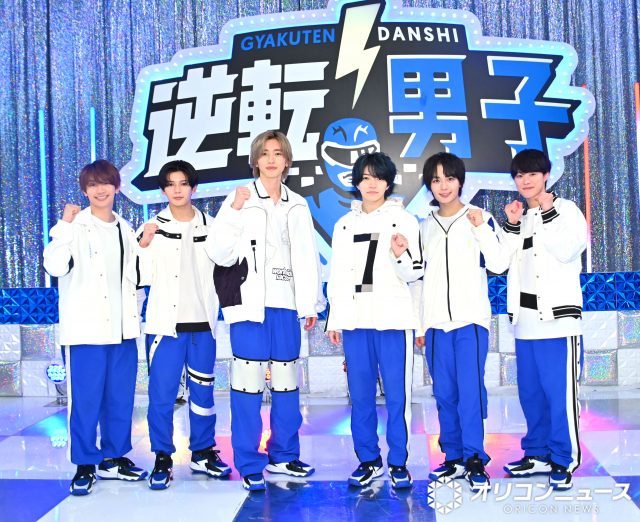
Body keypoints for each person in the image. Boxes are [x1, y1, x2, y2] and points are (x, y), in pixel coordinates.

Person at [209, 130, 325, 491]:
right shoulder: (240, 198)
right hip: (250, 308)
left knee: (287, 386)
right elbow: (218, 251)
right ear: (255, 160)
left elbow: (308, 256)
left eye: (278, 153)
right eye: (264, 153)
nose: (271, 159)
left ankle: (284, 455)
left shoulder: (298, 203)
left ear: (287, 160)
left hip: (287, 307)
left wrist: (311, 302)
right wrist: (234, 211)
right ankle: (248, 461)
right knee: (247, 387)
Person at [43, 160, 147, 496]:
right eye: (92, 185)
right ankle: (85, 463)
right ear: (85, 191)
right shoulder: (75, 226)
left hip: (123, 331)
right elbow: (54, 266)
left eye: (106, 183)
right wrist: (63, 225)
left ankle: (113, 458)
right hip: (86, 331)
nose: (100, 190)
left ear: (117, 187)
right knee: (86, 400)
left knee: (120, 398)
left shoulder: (125, 228)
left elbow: (136, 278)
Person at [132, 160, 230, 490]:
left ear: (193, 187)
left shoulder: (212, 226)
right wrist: (143, 245)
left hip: (203, 324)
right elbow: (139, 276)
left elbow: (227, 265)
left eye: (183, 183)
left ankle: (203, 451)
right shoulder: (151, 227)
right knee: (162, 394)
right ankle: (162, 455)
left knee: (203, 392)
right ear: (163, 190)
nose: (177, 189)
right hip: (164, 326)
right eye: (171, 184)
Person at [326, 152, 422, 489]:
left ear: (388, 182)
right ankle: (368, 460)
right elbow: (337, 275)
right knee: (360, 396)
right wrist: (334, 319)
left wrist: (401, 254)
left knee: (397, 397)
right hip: (355, 322)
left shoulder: (404, 220)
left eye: (378, 177)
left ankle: (398, 462)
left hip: (393, 320)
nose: (372, 184)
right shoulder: (344, 224)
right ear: (356, 182)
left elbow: (415, 272)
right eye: (365, 177)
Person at [416, 152, 509, 492]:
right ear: (429, 185)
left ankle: (474, 458)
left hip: (470, 321)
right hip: (436, 324)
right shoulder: (423, 226)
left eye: (450, 178)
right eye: (436, 179)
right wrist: (421, 325)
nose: (443, 186)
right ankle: (453, 456)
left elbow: (499, 263)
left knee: (470, 392)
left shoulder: (479, 217)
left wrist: (481, 228)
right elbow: (418, 279)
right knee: (444, 393)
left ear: (460, 181)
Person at [501, 149, 586, 490]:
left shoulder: (566, 210)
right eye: (520, 175)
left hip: (558, 322)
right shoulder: (519, 217)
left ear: (546, 175)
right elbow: (500, 263)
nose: (525, 181)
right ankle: (537, 453)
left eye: (532, 174)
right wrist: (511, 225)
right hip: (525, 324)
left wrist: (548, 212)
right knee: (531, 394)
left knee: (559, 395)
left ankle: (564, 458)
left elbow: (568, 249)